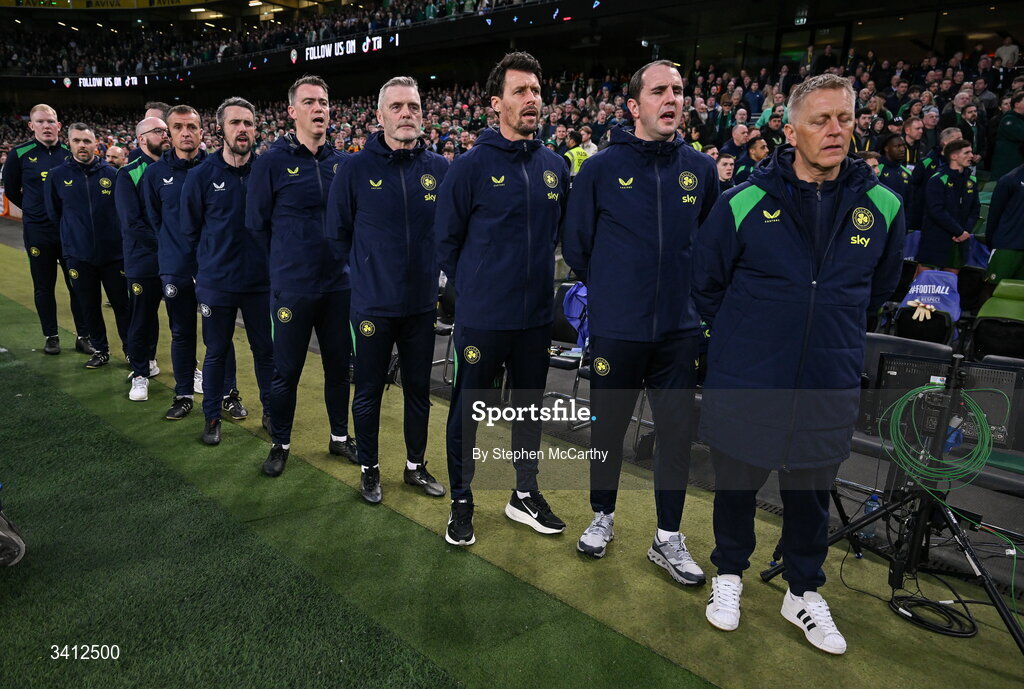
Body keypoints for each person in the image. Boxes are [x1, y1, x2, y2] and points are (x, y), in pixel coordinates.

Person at [693, 73, 904, 655]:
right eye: (820, 120)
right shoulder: (742, 201)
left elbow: (880, 288)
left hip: (828, 377)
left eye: (844, 118)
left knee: (811, 494)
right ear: (790, 130)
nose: (835, 130)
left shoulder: (883, 205)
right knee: (735, 484)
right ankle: (729, 575)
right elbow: (706, 284)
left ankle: (802, 590)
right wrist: (751, 337)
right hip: (750, 375)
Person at [563, 60, 718, 582]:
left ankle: (668, 538)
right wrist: (616, 294)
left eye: (678, 90)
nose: (673, 98)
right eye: (660, 91)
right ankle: (602, 515)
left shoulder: (701, 169)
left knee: (675, 436)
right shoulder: (600, 168)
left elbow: (707, 245)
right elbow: (577, 247)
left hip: (679, 331)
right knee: (607, 428)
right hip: (618, 328)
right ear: (634, 106)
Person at [434, 51, 569, 546]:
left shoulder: (555, 165)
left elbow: (559, 237)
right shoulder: (469, 166)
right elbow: (444, 242)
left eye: (536, 90)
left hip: (534, 320)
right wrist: (474, 294)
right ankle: (462, 500)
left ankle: (524, 494)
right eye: (520, 91)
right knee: (468, 410)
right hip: (483, 319)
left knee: (529, 410)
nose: (532, 99)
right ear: (497, 103)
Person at [327, 76, 450, 503]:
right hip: (373, 306)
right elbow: (336, 234)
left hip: (420, 306)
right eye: (397, 107)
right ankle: (369, 468)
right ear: (380, 116)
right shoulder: (355, 169)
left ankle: (415, 467)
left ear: (422, 114)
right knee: (369, 390)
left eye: (413, 106)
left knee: (419, 390)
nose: (406, 114)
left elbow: (451, 233)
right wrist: (364, 274)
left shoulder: (440, 169)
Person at [247, 75, 355, 477]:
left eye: (324, 102)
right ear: (292, 111)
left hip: (337, 287)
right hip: (292, 288)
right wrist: (284, 265)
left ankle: (340, 438)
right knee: (286, 371)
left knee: (337, 367)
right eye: (309, 102)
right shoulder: (270, 162)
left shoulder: (343, 163)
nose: (319, 109)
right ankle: (281, 443)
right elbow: (256, 225)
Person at [180, 97, 274, 446]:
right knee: (216, 351)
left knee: (266, 351)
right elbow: (189, 231)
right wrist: (202, 273)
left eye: (248, 123)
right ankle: (212, 416)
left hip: (260, 284)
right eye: (235, 123)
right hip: (217, 284)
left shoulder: (268, 171)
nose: (243, 129)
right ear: (221, 129)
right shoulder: (201, 176)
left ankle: (271, 413)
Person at [143, 105, 243, 421]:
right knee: (182, 332)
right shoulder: (155, 174)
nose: (186, 132)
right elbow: (153, 220)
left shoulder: (219, 167)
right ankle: (184, 393)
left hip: (215, 269)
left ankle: (229, 394)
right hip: (176, 268)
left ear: (202, 131)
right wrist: (175, 253)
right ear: (168, 134)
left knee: (220, 336)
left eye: (192, 126)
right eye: (178, 127)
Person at [1, 104, 90, 356]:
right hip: (38, 232)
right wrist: (34, 212)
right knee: (43, 286)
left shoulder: (70, 151)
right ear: (31, 126)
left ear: (59, 125)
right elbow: (10, 191)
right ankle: (51, 336)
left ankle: (83, 335)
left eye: (51, 121)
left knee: (78, 284)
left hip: (70, 231)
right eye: (40, 122)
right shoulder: (19, 154)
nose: (46, 126)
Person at [43, 123, 130, 369]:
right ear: (68, 143)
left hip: (113, 254)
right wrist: (73, 237)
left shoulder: (112, 174)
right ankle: (101, 349)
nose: (82, 145)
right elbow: (54, 213)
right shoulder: (57, 175)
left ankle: (131, 350)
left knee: (122, 305)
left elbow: (123, 213)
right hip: (78, 254)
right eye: (77, 140)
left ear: (95, 144)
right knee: (88, 305)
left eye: (87, 141)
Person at [116, 116, 169, 401]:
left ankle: (185, 368)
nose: (165, 135)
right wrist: (169, 243)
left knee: (180, 318)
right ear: (141, 139)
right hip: (143, 259)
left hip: (174, 261)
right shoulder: (128, 173)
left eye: (165, 130)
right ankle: (140, 372)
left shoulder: (173, 168)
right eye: (158, 131)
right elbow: (132, 223)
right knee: (141, 317)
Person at [919, 139, 980, 273]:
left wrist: (965, 232)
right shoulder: (938, 179)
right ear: (954, 156)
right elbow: (936, 210)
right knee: (922, 282)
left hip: (959, 239)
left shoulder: (972, 180)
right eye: (967, 152)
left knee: (949, 282)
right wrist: (958, 231)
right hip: (936, 237)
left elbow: (975, 210)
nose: (971, 156)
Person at [908, 127, 963, 232]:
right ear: (945, 142)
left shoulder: (961, 164)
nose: (962, 142)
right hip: (924, 215)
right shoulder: (927, 162)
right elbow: (913, 187)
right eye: (958, 139)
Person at [984, 158, 1024, 288]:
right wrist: (993, 242)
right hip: (1007, 245)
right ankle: (983, 309)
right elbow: (995, 214)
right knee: (993, 287)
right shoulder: (1010, 179)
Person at [992, 92, 1024, 178]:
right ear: (1017, 104)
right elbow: (1021, 134)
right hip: (1007, 165)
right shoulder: (1009, 120)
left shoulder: (1020, 119)